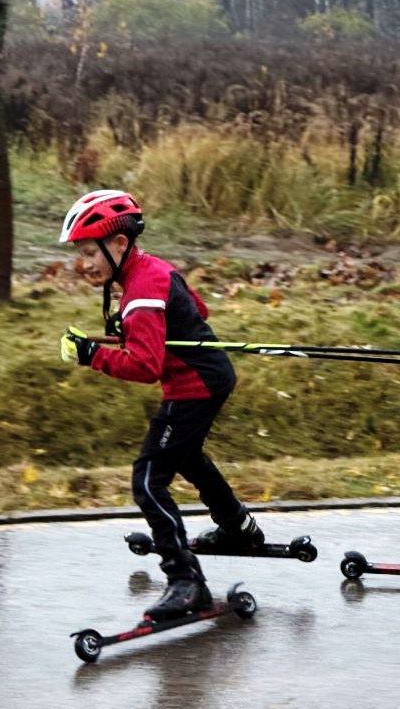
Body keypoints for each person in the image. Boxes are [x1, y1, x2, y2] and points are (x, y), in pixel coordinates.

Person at [58, 189, 265, 618]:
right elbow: (197, 308)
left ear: (118, 244)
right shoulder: (150, 271)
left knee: (149, 479)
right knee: (187, 456)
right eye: (80, 252)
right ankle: (238, 528)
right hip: (208, 376)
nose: (85, 262)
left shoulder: (140, 289)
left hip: (193, 385)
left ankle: (186, 582)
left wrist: (90, 355)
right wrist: (135, 328)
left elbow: (145, 365)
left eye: (89, 251)